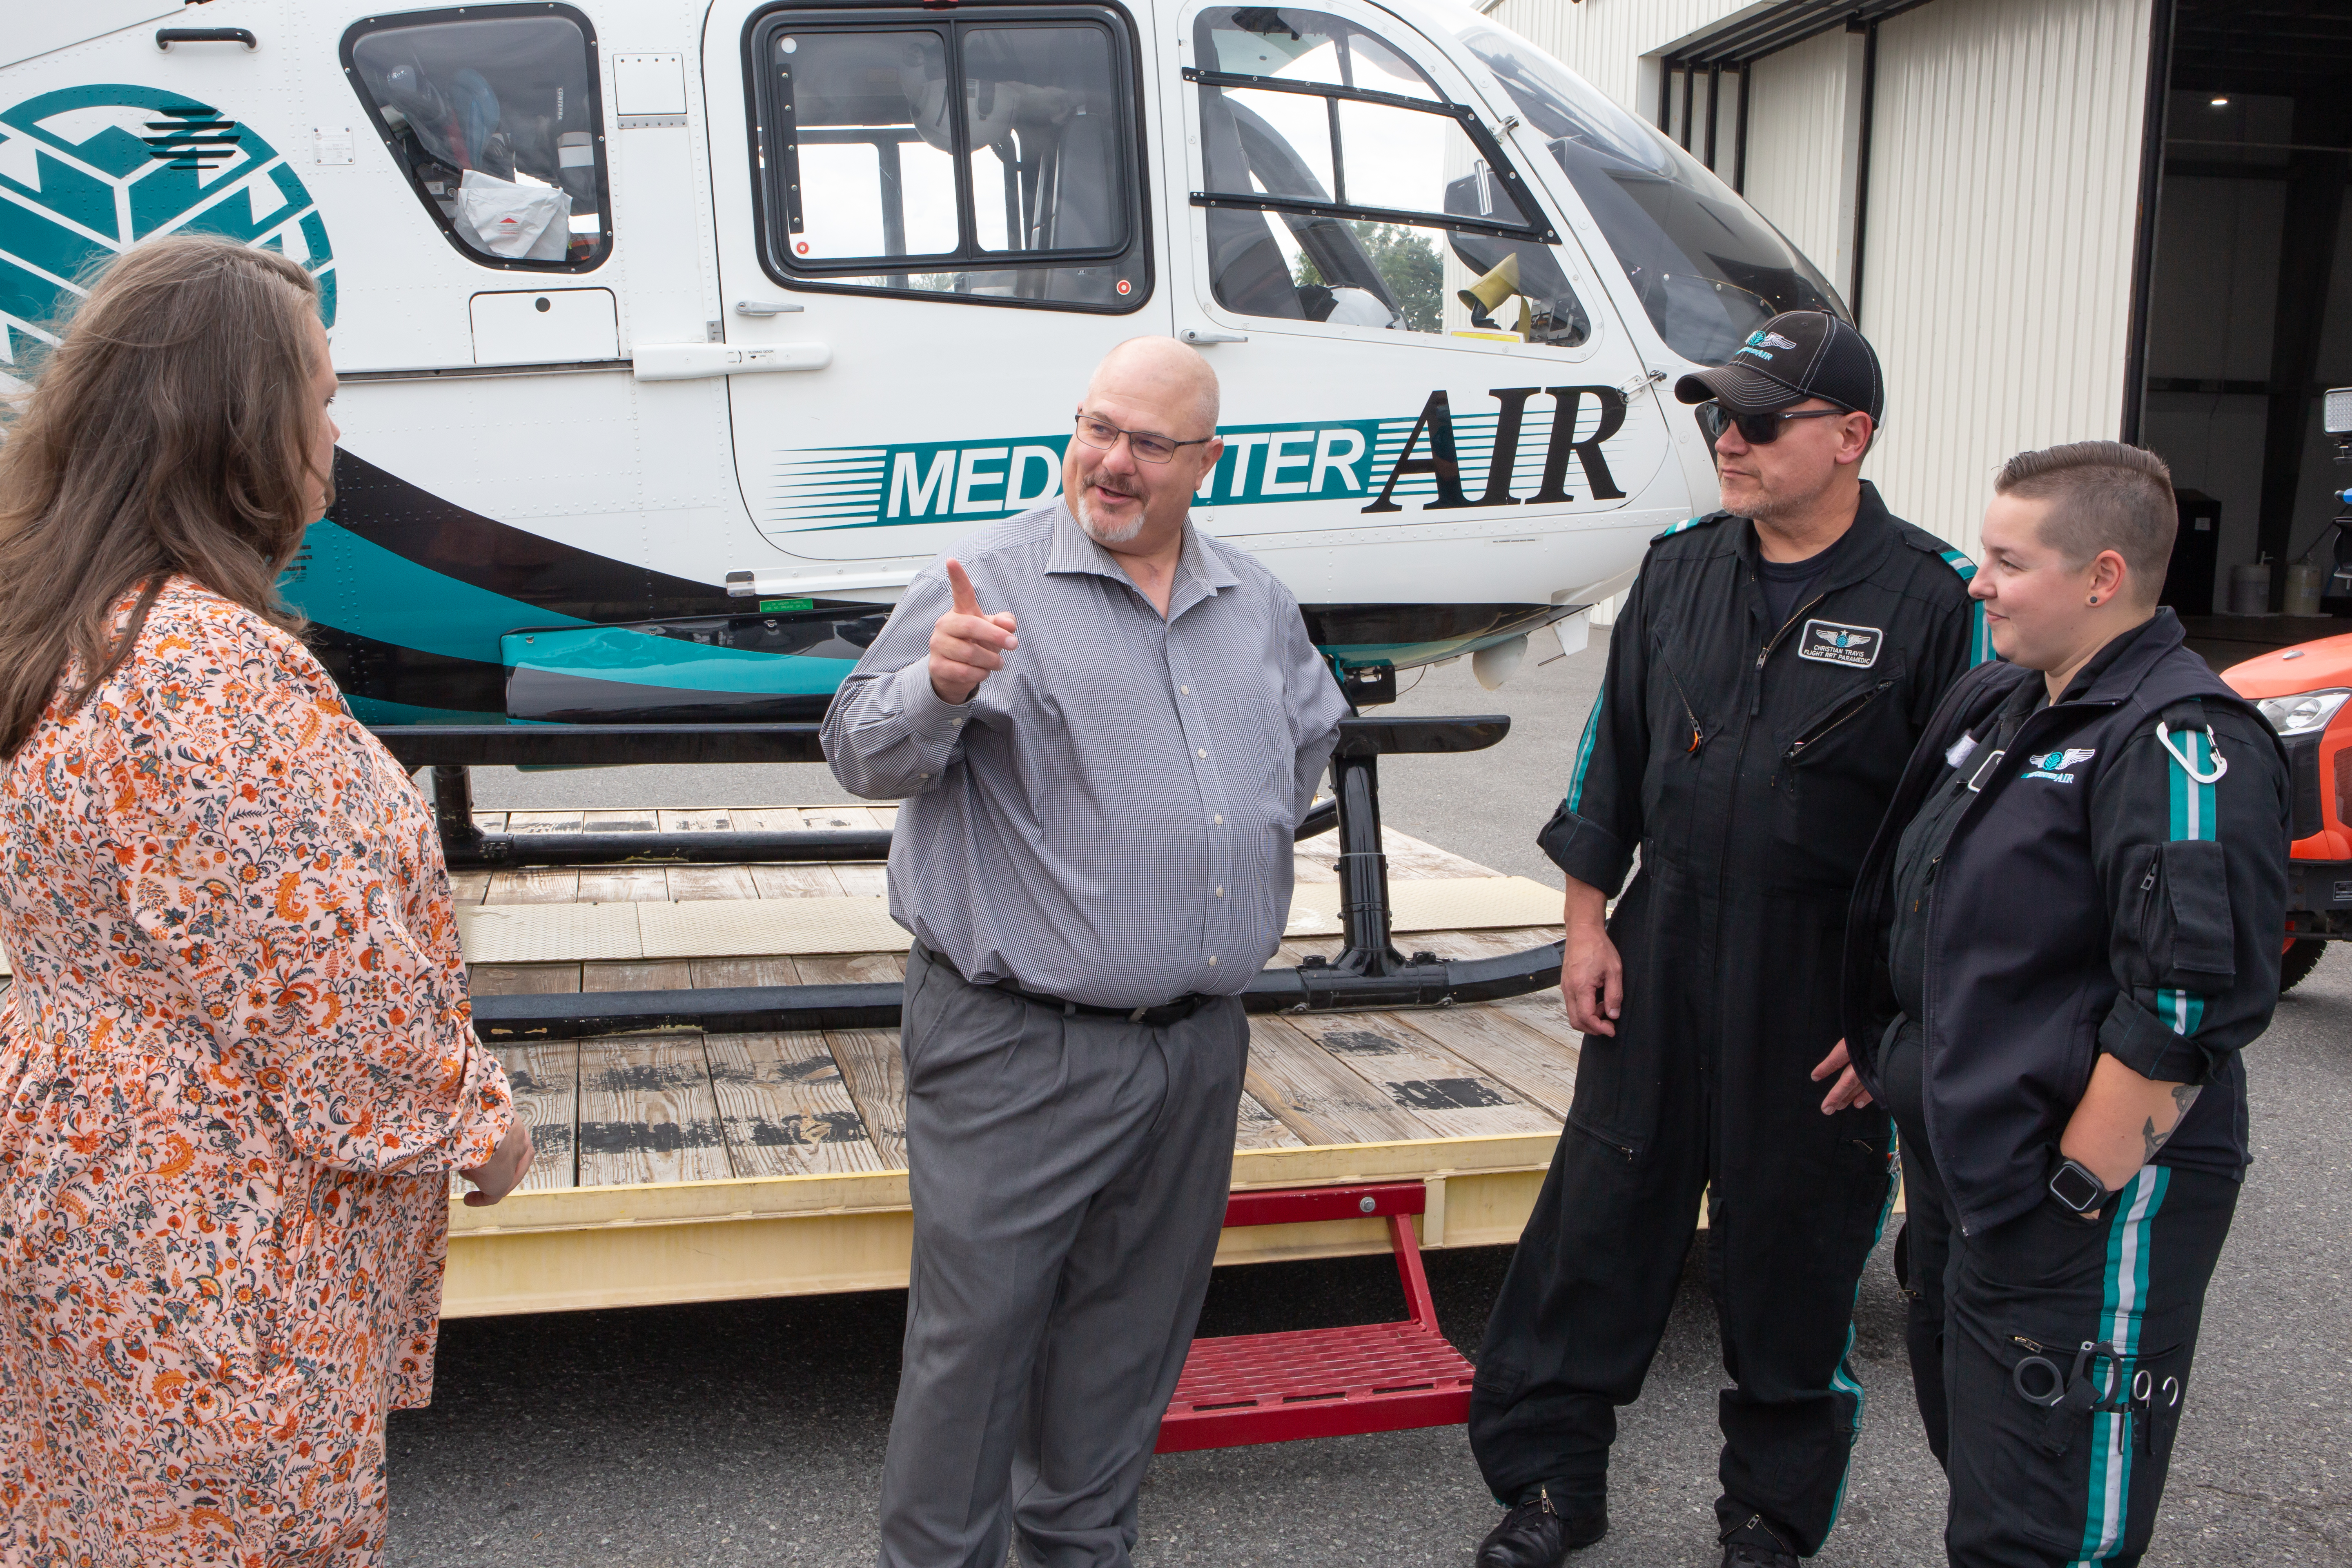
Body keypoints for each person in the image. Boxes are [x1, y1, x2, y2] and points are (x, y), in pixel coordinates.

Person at [0, 235, 532, 1564]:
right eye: (326, 400)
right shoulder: (214, 677)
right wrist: (483, 1127)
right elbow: (336, 1004)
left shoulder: (60, 627)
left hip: (74, 1191)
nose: (336, 441)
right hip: (210, 1243)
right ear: (243, 430)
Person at [1469, 311, 1989, 1568]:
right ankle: (1550, 1483)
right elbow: (1615, 756)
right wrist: (1588, 922)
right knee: (1595, 1233)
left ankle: (1769, 1516)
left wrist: (1894, 1022)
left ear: (1851, 437)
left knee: (1790, 1260)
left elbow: (1955, 844)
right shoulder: (1681, 565)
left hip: (1823, 991)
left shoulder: (1934, 600)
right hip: (1662, 957)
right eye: (1718, 417)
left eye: (1759, 420)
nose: (1730, 441)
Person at [821, 336, 1348, 1568]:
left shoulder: (1255, 604)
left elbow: (1306, 747)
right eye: (1096, 428)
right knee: (975, 1363)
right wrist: (935, 691)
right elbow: (857, 750)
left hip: (1195, 1053)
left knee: (1128, 1351)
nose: (1111, 463)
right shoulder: (991, 580)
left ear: (1206, 462)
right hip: (1019, 1049)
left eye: (1148, 443)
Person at [1827, 442, 2287, 1566]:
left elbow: (2183, 1003)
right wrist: (1898, 1051)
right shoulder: (2007, 699)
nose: (1977, 583)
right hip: (1972, 1185)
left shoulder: (2181, 740)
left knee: (2047, 1527)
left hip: (2074, 1207)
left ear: (2102, 576)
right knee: (1987, 1482)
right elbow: (1938, 910)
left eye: (2006, 561)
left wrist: (2072, 1194)